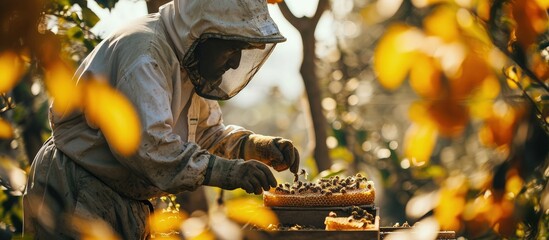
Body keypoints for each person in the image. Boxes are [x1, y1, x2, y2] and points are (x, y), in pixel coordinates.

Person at [23, 0, 299, 238]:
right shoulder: (145, 54)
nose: (236, 63)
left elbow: (207, 136)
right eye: (230, 48)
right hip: (79, 190)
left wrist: (255, 145)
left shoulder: (190, 62)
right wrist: (228, 172)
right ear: (202, 34)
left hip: (119, 196)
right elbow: (149, 147)